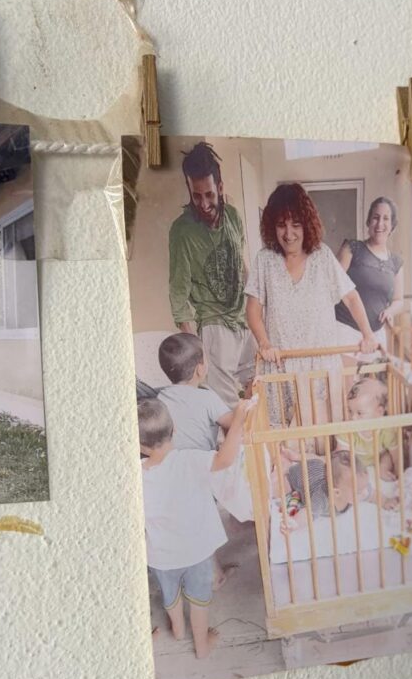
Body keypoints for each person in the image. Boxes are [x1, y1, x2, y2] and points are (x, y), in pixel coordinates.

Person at [245, 182, 379, 425]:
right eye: (281, 225)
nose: (289, 234)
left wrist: (368, 334)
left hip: (320, 365)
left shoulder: (322, 256)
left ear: (307, 224)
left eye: (296, 225)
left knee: (323, 437)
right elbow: (253, 308)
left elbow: (350, 296)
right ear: (271, 226)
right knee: (284, 437)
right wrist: (264, 343)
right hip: (280, 364)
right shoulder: (264, 260)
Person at [138, 397, 249, 660]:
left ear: (139, 445)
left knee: (170, 595)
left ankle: (177, 630)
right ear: (174, 429)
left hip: (160, 556)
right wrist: (239, 419)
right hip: (196, 552)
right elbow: (226, 459)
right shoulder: (189, 460)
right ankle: (201, 645)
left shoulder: (135, 473)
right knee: (199, 600)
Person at [168, 141, 254, 408]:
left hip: (242, 319)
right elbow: (178, 293)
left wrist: (255, 308)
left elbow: (242, 265)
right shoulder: (182, 231)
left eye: (209, 195)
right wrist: (195, 347)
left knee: (257, 384)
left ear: (220, 188)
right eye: (196, 196)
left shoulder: (233, 217)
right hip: (214, 326)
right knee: (226, 405)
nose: (203, 204)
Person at [335, 196, 406, 349]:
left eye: (386, 218)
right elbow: (335, 284)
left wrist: (390, 311)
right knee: (348, 374)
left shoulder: (396, 262)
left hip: (376, 335)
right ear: (368, 221)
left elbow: (399, 300)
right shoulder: (352, 248)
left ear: (392, 225)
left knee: (374, 373)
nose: (380, 223)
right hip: (345, 330)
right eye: (376, 217)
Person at [156, 332, 234, 450]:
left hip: (172, 462)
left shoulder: (160, 397)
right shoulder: (207, 397)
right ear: (200, 370)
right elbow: (234, 423)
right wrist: (249, 401)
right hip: (202, 462)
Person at [279, 451, 369, 532]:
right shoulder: (322, 498)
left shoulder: (359, 484)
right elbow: (307, 514)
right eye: (359, 492)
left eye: (365, 487)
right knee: (281, 488)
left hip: (319, 467)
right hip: (300, 474)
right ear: (337, 492)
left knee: (320, 463)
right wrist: (294, 523)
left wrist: (384, 502)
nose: (366, 492)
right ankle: (285, 465)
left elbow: (374, 495)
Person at [343, 376, 400, 481]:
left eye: (360, 413)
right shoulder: (346, 430)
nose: (353, 417)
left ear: (379, 412)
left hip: (379, 458)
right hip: (356, 462)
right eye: (350, 411)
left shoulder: (386, 429)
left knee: (387, 457)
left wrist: (399, 475)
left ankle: (382, 470)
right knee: (344, 464)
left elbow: (396, 455)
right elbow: (341, 457)